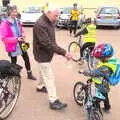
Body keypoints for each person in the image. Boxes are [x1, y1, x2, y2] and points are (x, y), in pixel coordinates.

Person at [33, 4, 72, 110]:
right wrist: (63, 52)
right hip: (42, 54)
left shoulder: (49, 21)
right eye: (56, 15)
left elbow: (51, 41)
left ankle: (40, 86)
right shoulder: (40, 24)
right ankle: (53, 100)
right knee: (49, 77)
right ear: (48, 13)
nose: (57, 18)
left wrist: (55, 49)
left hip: (45, 53)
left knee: (42, 71)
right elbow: (46, 43)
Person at [0, 5, 36, 80]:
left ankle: (29, 74)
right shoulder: (4, 24)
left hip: (21, 43)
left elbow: (21, 30)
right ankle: (13, 76)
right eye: (13, 11)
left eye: (16, 11)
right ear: (9, 12)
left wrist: (23, 35)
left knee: (26, 58)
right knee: (13, 61)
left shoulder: (17, 21)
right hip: (12, 45)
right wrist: (16, 39)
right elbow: (4, 39)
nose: (15, 13)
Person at [81, 43, 119, 112]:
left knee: (95, 100)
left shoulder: (105, 68)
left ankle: (96, 112)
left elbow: (93, 73)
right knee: (105, 95)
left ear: (105, 58)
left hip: (102, 86)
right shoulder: (112, 61)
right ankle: (107, 107)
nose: (98, 59)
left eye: (99, 58)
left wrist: (83, 72)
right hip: (106, 84)